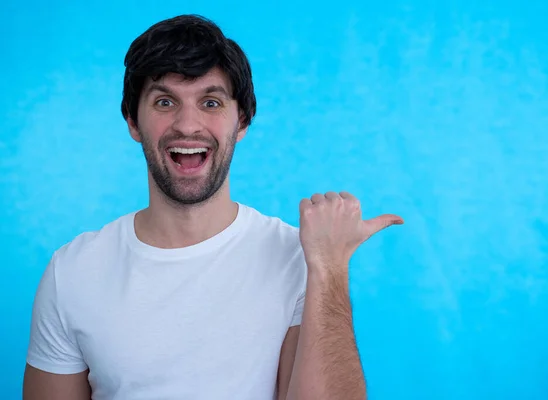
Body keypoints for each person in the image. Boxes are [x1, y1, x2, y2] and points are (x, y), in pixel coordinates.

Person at [23, 14, 403, 400]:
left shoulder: (298, 259)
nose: (188, 125)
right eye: (165, 101)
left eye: (210, 102)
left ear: (242, 121)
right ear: (133, 122)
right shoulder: (72, 272)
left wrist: (330, 268)